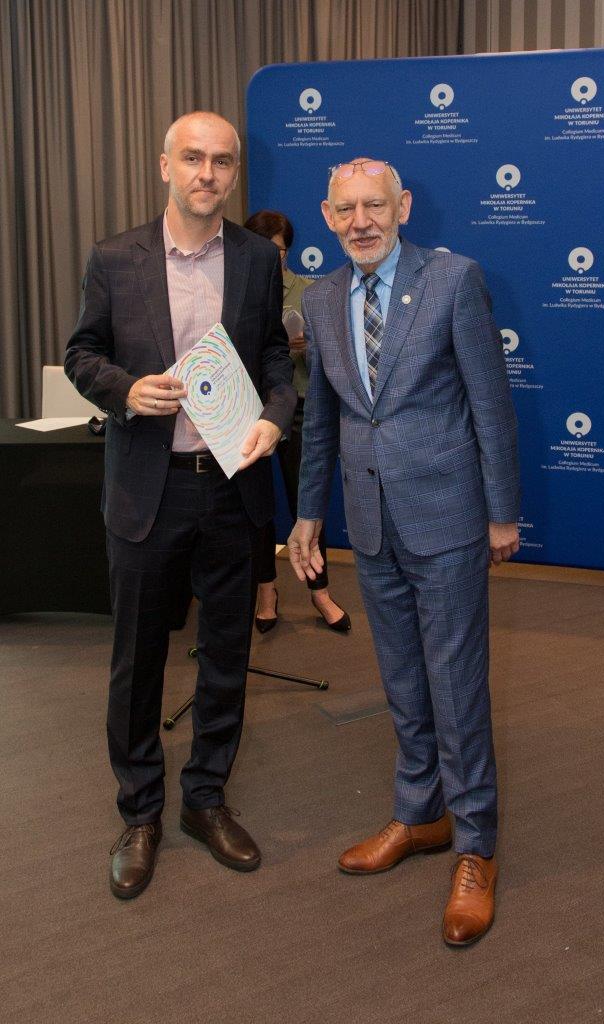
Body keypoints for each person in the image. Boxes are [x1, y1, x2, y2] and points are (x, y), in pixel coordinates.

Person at [288, 158, 520, 946]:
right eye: (346, 209)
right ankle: (419, 813)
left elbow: (491, 404)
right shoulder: (321, 300)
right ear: (328, 216)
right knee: (402, 680)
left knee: (456, 685)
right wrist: (309, 513)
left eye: (375, 206)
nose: (361, 221)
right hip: (371, 523)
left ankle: (476, 845)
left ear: (403, 206)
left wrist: (501, 513)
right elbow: (322, 420)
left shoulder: (454, 281)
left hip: (448, 517)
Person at [65, 111, 296, 899]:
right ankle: (140, 813)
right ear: (164, 166)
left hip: (231, 487)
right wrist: (125, 390)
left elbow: (275, 358)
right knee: (138, 662)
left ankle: (204, 798)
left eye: (222, 161)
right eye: (192, 158)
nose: (207, 172)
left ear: (235, 172)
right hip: (146, 490)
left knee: (226, 655)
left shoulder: (258, 259)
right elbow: (81, 353)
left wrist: (275, 418)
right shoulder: (115, 257)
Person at [243, 209, 350, 634]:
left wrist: (310, 349)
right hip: (249, 412)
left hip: (300, 408)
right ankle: (266, 591)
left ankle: (320, 592)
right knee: (256, 509)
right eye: (262, 250)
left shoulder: (310, 293)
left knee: (306, 504)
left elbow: (337, 360)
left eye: (280, 251)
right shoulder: (235, 291)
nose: (273, 259)